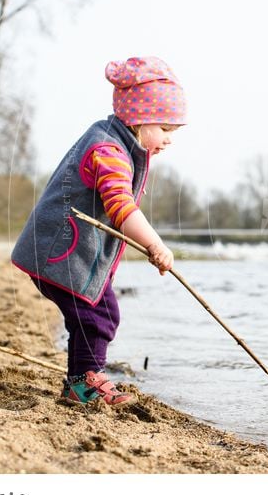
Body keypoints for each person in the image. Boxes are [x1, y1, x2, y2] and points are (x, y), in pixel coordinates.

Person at [11, 56, 186, 406]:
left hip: (70, 254)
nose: (169, 140)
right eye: (165, 129)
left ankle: (81, 379)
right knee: (97, 315)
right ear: (139, 119)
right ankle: (84, 383)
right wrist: (154, 244)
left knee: (91, 314)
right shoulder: (109, 150)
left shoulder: (117, 141)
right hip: (61, 253)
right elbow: (121, 207)